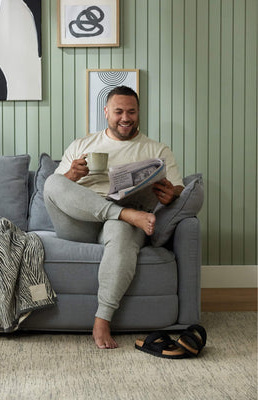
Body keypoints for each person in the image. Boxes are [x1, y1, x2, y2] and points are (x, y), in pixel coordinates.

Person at [43, 86, 184, 349]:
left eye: (131, 111)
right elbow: (55, 191)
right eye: (118, 111)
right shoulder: (83, 145)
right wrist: (71, 176)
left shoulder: (157, 150)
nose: (125, 118)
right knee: (52, 181)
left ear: (139, 112)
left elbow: (177, 188)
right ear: (106, 112)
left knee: (120, 231)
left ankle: (102, 320)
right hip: (79, 222)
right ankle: (125, 214)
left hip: (122, 224)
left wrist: (170, 194)